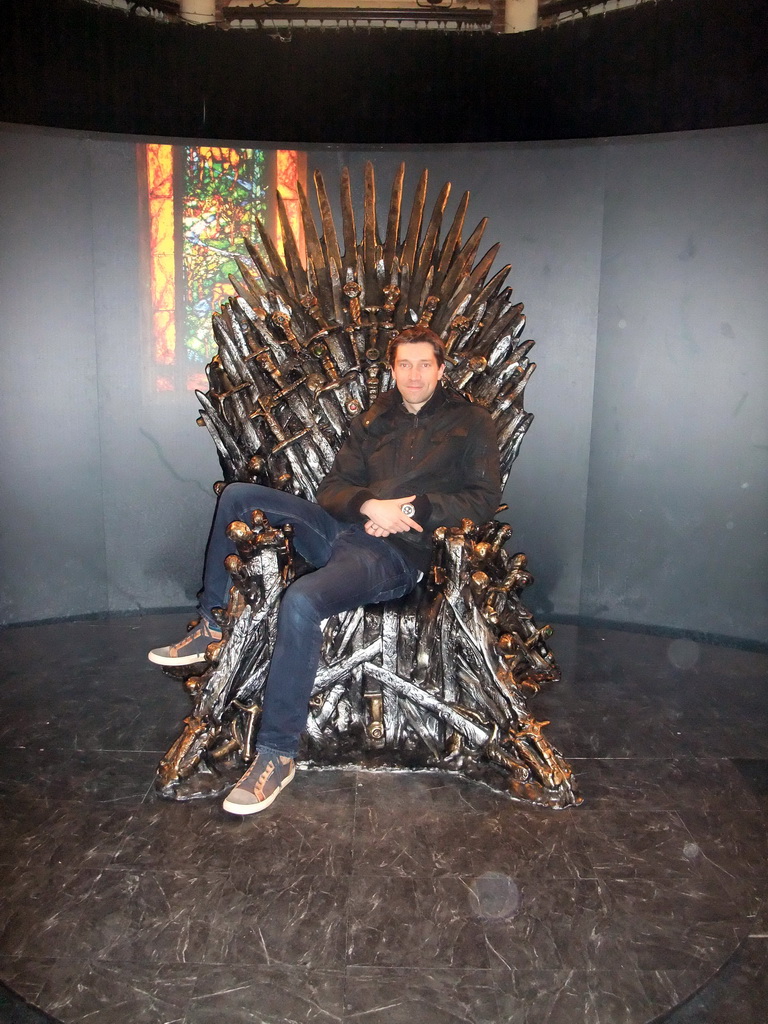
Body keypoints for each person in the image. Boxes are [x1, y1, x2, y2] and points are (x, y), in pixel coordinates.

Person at [148, 327, 502, 815]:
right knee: (238, 496)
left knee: (302, 601)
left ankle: (276, 755)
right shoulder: (376, 418)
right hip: (342, 528)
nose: (414, 375)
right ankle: (210, 625)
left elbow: (482, 500)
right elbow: (333, 488)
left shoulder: (471, 422)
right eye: (405, 365)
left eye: (424, 365)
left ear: (441, 369)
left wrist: (410, 510)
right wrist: (370, 505)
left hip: (395, 554)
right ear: (393, 369)